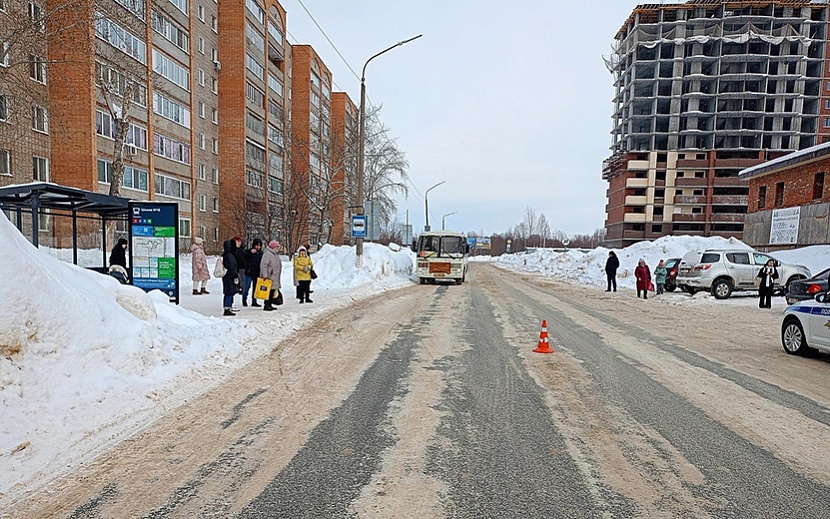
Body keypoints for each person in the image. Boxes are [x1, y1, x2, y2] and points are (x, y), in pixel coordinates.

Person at [221, 236, 242, 316]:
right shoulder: (229, 255)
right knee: (229, 292)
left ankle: (228, 307)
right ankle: (227, 308)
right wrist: (234, 275)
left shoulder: (227, 254)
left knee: (229, 292)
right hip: (229, 276)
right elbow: (231, 266)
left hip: (228, 276)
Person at [260, 240, 282, 311]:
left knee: (272, 290)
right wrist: (265, 275)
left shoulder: (275, 254)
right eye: (277, 246)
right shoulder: (267, 254)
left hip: (275, 276)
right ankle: (267, 304)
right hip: (269, 276)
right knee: (268, 291)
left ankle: (270, 304)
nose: (278, 248)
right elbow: (264, 265)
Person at [242, 238, 263, 307]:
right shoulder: (249, 252)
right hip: (249, 272)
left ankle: (254, 301)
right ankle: (244, 299)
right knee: (247, 287)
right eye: (256, 245)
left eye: (259, 246)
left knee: (255, 288)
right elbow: (243, 256)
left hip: (257, 273)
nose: (258, 247)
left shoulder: (261, 253)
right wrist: (250, 252)